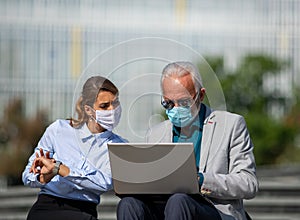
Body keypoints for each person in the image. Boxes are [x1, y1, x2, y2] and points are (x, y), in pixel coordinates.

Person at [117, 61, 258, 220]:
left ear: (201, 95)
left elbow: (248, 183)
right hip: (164, 209)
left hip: (214, 210)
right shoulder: (156, 133)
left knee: (179, 201)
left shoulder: (231, 125)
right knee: (129, 204)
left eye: (184, 102)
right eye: (168, 103)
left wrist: (201, 180)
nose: (175, 108)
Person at [22, 76, 126, 220]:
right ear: (89, 110)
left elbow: (104, 183)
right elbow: (27, 175)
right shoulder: (58, 129)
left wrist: (59, 169)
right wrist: (43, 177)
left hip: (83, 211)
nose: (112, 109)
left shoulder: (119, 146)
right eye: (104, 106)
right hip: (47, 205)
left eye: (115, 103)